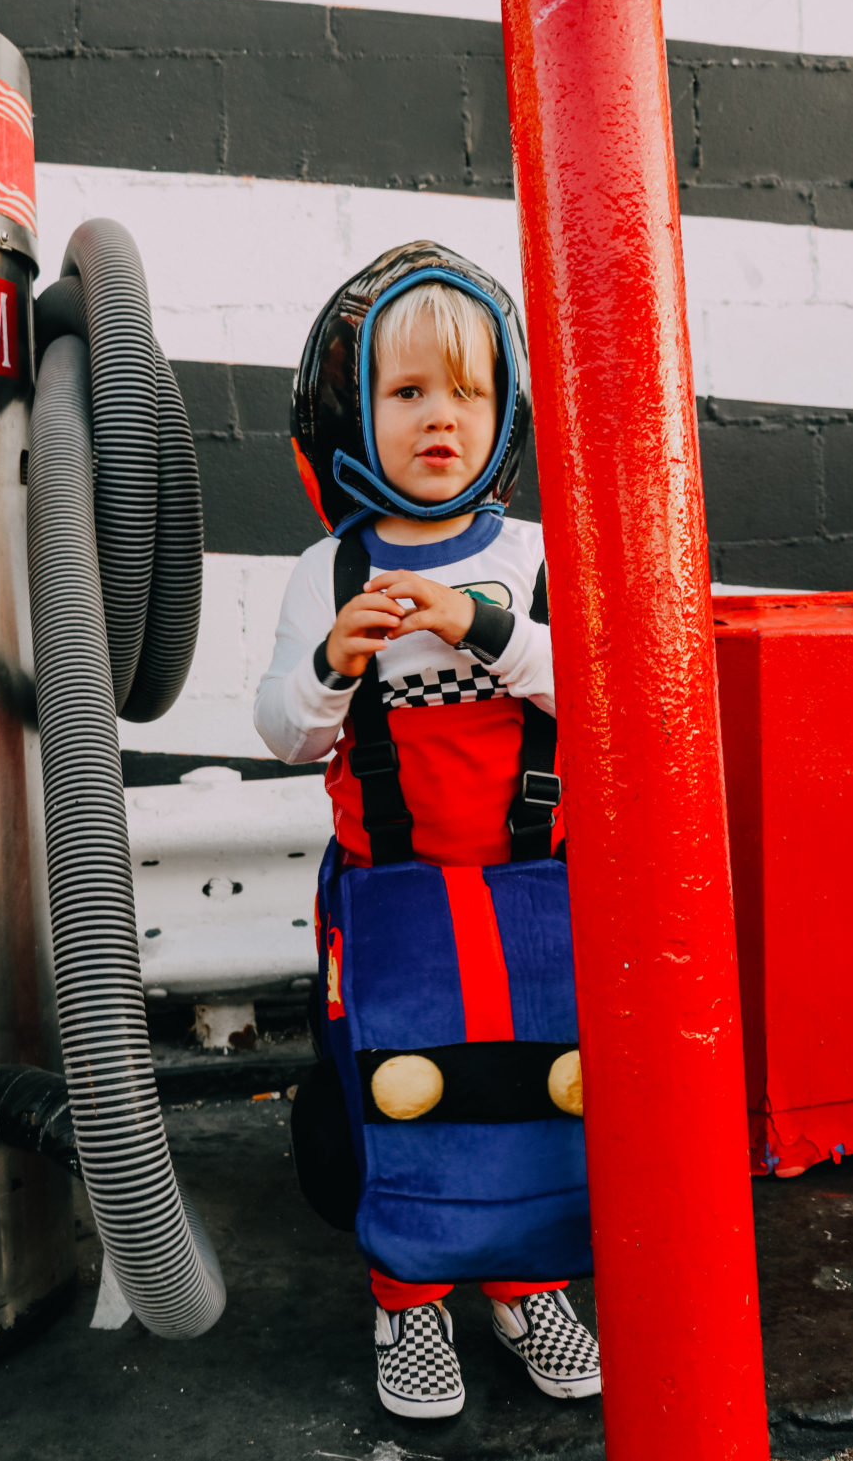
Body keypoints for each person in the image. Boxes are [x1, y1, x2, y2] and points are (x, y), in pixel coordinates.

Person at [254, 242, 600, 1417]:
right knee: (398, 1093)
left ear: (504, 415)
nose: (438, 419)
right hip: (393, 898)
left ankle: (529, 1283)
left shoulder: (535, 558)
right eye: (406, 393)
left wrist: (485, 627)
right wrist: (328, 666)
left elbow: (600, 695)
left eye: (467, 391)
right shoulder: (328, 569)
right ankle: (409, 1303)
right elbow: (285, 736)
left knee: (541, 1090)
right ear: (351, 410)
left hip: (532, 888)